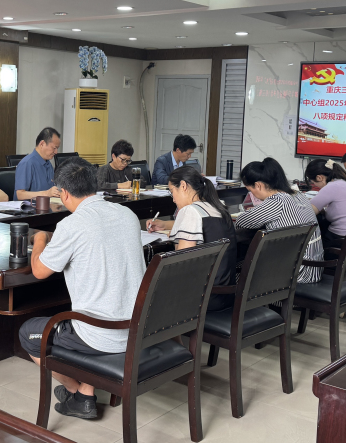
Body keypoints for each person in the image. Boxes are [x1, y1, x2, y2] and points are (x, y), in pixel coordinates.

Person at [18, 157, 145, 420]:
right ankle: (86, 391)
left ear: (63, 193)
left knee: (28, 333)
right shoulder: (127, 215)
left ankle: (77, 393)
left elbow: (39, 270)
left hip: (100, 335)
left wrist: (40, 238)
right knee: (95, 306)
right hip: (136, 327)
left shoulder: (72, 225)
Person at [147, 165, 238, 310]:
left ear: (183, 186)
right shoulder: (219, 207)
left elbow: (182, 262)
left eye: (172, 192)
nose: (173, 199)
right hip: (224, 294)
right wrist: (165, 225)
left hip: (202, 298)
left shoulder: (190, 211)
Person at [235, 158, 323, 283]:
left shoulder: (277, 201)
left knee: (235, 270)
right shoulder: (297, 195)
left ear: (258, 185)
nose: (252, 194)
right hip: (312, 267)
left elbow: (241, 222)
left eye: (250, 190)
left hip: (295, 272)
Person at [304, 159, 346, 251]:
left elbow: (308, 212)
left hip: (341, 240)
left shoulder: (332, 186)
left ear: (319, 178)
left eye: (313, 182)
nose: (316, 186)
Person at [14, 127, 62, 201]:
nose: (56, 152)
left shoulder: (49, 164)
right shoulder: (27, 163)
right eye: (54, 148)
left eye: (57, 148)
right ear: (42, 144)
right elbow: (20, 195)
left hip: (46, 205)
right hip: (29, 207)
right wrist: (46, 193)